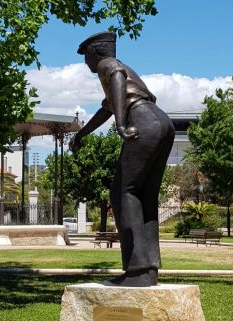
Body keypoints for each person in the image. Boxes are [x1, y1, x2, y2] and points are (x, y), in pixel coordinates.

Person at [70, 32, 175, 287]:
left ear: (96, 52)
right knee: (144, 196)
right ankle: (148, 271)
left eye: (86, 56)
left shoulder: (108, 65)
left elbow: (115, 74)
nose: (86, 62)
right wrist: (81, 134)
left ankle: (136, 269)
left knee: (122, 192)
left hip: (142, 121)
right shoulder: (130, 75)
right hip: (161, 121)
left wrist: (121, 125)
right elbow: (106, 108)